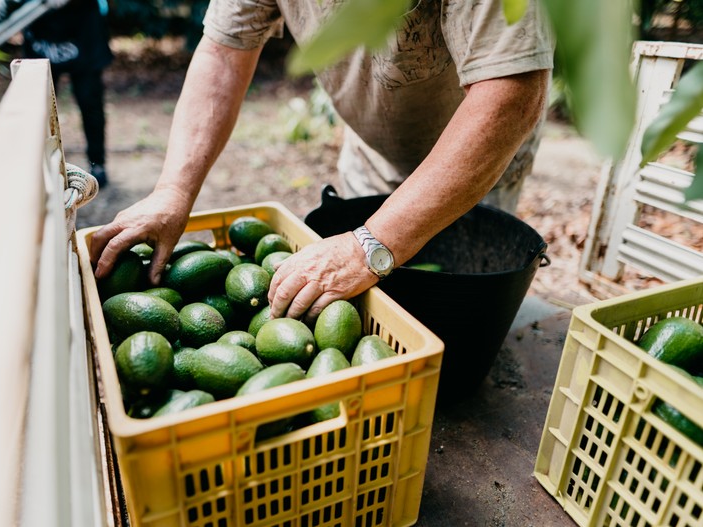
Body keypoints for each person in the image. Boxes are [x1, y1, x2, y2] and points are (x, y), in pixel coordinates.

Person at [90, 0, 554, 323]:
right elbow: (224, 55)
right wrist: (172, 190)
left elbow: (509, 96)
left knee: (451, 319)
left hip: (476, 160)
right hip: (372, 152)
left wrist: (368, 246)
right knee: (365, 314)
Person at [0, 0, 114, 187]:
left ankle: (97, 163)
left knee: (89, 100)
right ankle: (37, 167)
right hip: (41, 26)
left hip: (83, 28)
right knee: (37, 105)